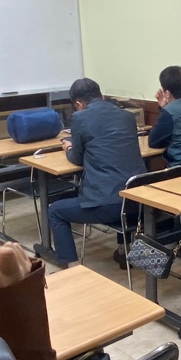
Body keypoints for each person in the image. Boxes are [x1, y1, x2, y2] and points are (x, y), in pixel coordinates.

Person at [44, 78, 145, 265]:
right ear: (102, 96)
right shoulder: (127, 116)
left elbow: (76, 158)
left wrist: (68, 147)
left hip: (108, 204)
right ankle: (123, 251)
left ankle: (71, 265)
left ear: (78, 104)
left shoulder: (80, 118)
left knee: (55, 211)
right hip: (139, 199)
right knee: (118, 180)